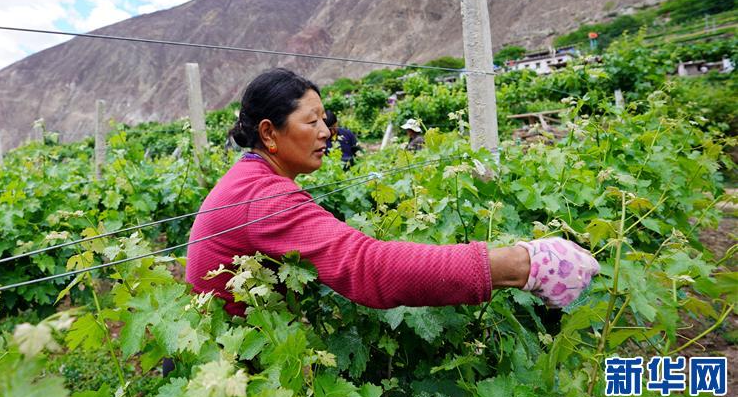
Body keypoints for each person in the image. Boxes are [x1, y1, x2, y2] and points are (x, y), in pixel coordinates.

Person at [186, 68, 599, 317]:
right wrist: (520, 264)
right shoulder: (261, 195)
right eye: (312, 122)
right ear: (268, 133)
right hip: (229, 372)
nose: (328, 132)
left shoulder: (252, 180)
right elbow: (366, 266)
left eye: (325, 120)